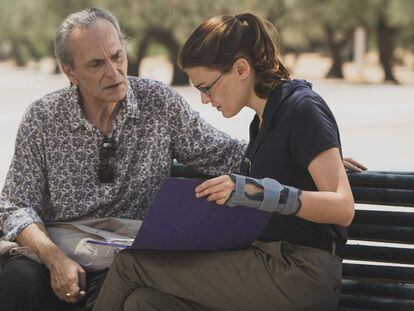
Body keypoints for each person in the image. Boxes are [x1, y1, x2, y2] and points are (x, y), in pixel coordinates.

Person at [93, 13, 356, 311]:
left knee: (130, 264)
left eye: (206, 87)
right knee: (144, 303)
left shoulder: (302, 108)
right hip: (265, 263)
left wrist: (256, 191)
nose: (205, 99)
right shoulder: (262, 124)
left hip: (302, 273)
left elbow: (343, 208)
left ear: (241, 68)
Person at [0, 8, 247, 311]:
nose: (113, 72)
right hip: (59, 249)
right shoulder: (43, 117)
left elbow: (229, 155)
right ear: (70, 71)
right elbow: (15, 205)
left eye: (117, 57)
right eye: (96, 64)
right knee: (15, 280)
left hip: (130, 260)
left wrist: (288, 127)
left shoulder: (158, 102)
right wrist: (54, 259)